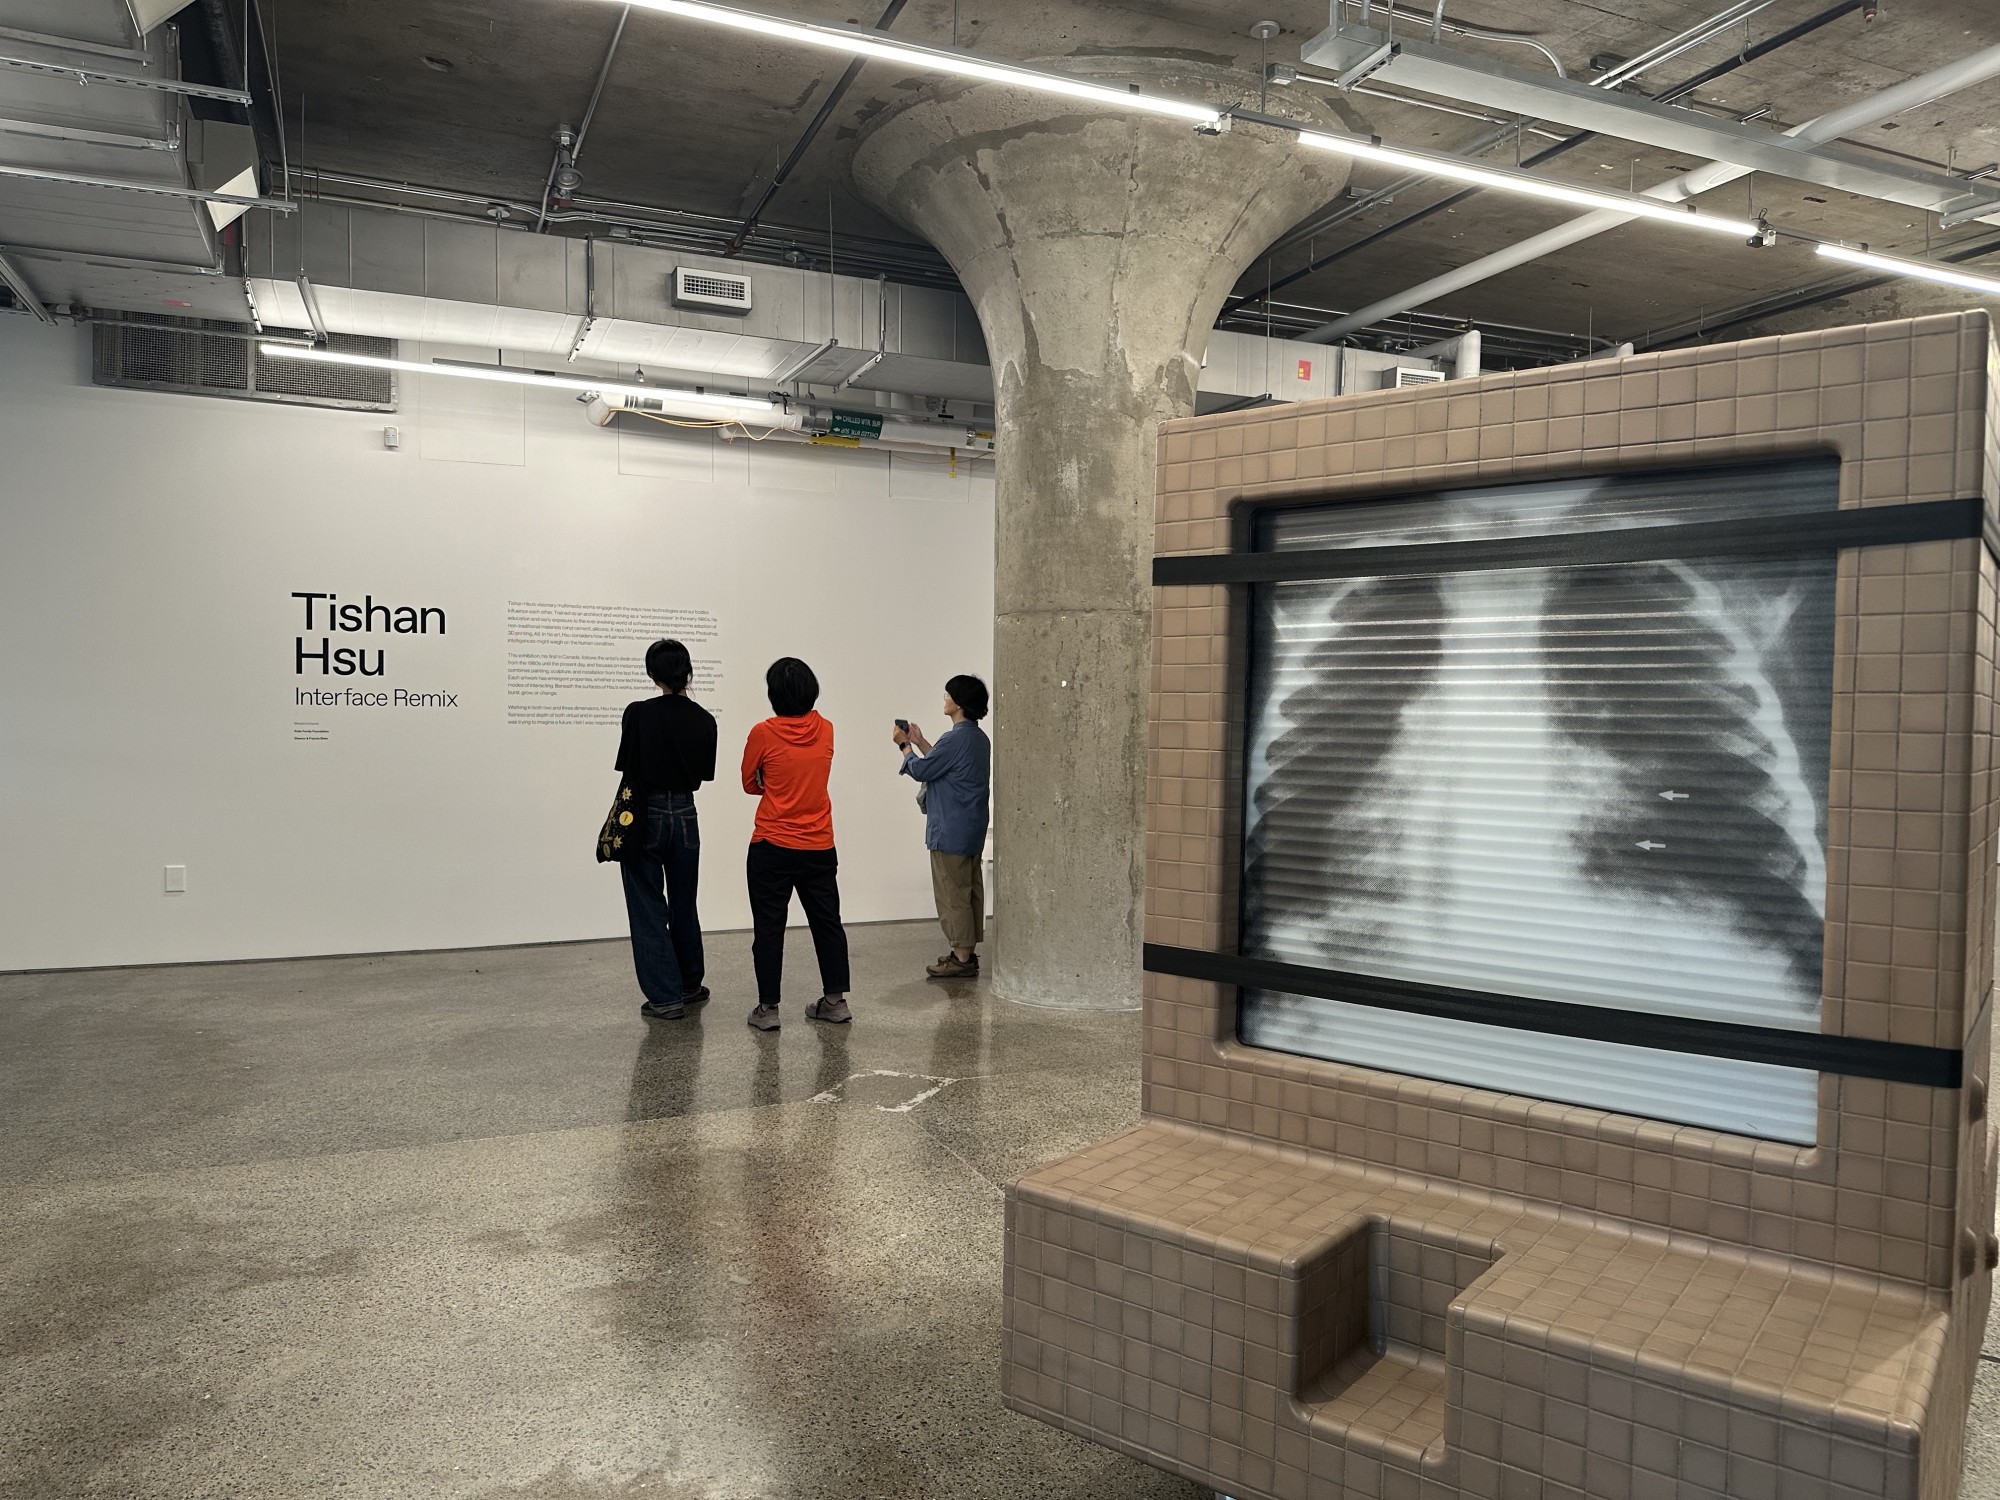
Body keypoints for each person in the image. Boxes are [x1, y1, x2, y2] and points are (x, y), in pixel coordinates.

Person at [741, 657, 852, 1030]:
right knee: (827, 923)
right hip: (819, 844)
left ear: (774, 694)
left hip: (772, 844)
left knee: (769, 927)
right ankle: (835, 1002)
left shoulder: (762, 733)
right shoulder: (827, 729)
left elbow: (750, 783)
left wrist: (772, 782)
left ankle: (768, 1009)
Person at [615, 638, 717, 1021]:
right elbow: (703, 775)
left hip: (647, 812)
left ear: (651, 673)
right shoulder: (705, 720)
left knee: (647, 906)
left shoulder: (638, 713)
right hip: (686, 814)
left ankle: (664, 997)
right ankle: (689, 984)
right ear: (687, 672)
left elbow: (629, 765)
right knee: (684, 901)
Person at [893, 674, 992, 980]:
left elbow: (924, 770)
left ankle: (960, 959)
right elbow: (945, 764)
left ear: (959, 703)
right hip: (971, 826)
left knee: (953, 895)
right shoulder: (978, 738)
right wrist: (921, 742)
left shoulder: (954, 739)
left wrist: (905, 746)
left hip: (949, 827)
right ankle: (966, 954)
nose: (945, 699)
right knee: (970, 891)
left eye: (948, 695)